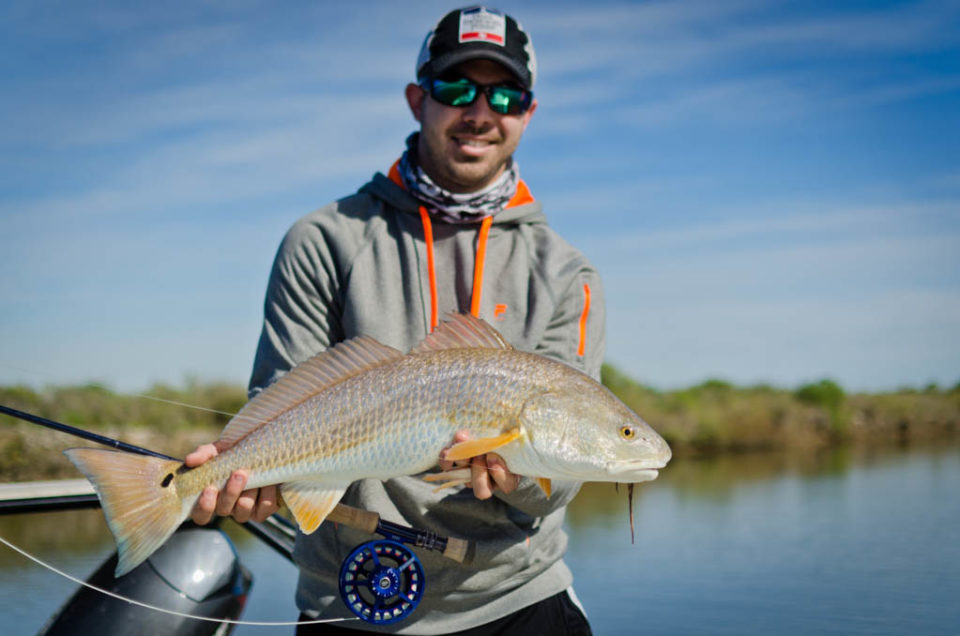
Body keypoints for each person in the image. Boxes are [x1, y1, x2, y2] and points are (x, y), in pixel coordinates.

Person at [187, 6, 604, 634]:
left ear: (528, 112)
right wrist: (245, 475)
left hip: (518, 597)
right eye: (456, 87)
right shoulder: (324, 239)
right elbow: (278, 403)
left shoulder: (568, 273)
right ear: (418, 98)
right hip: (351, 598)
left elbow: (560, 477)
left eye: (505, 94)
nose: (480, 112)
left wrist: (519, 476)